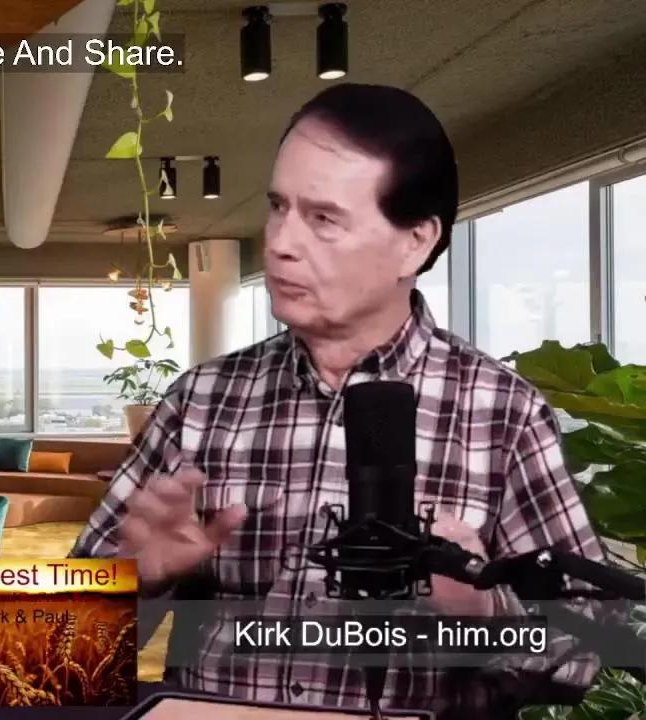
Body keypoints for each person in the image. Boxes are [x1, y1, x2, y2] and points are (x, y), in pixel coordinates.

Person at [71, 83, 604, 717]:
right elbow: (68, 639)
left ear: (415, 242)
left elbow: (583, 651)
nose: (279, 242)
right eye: (278, 206)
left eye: (323, 218)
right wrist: (139, 579)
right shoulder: (201, 398)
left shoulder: (503, 412)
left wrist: (485, 610)